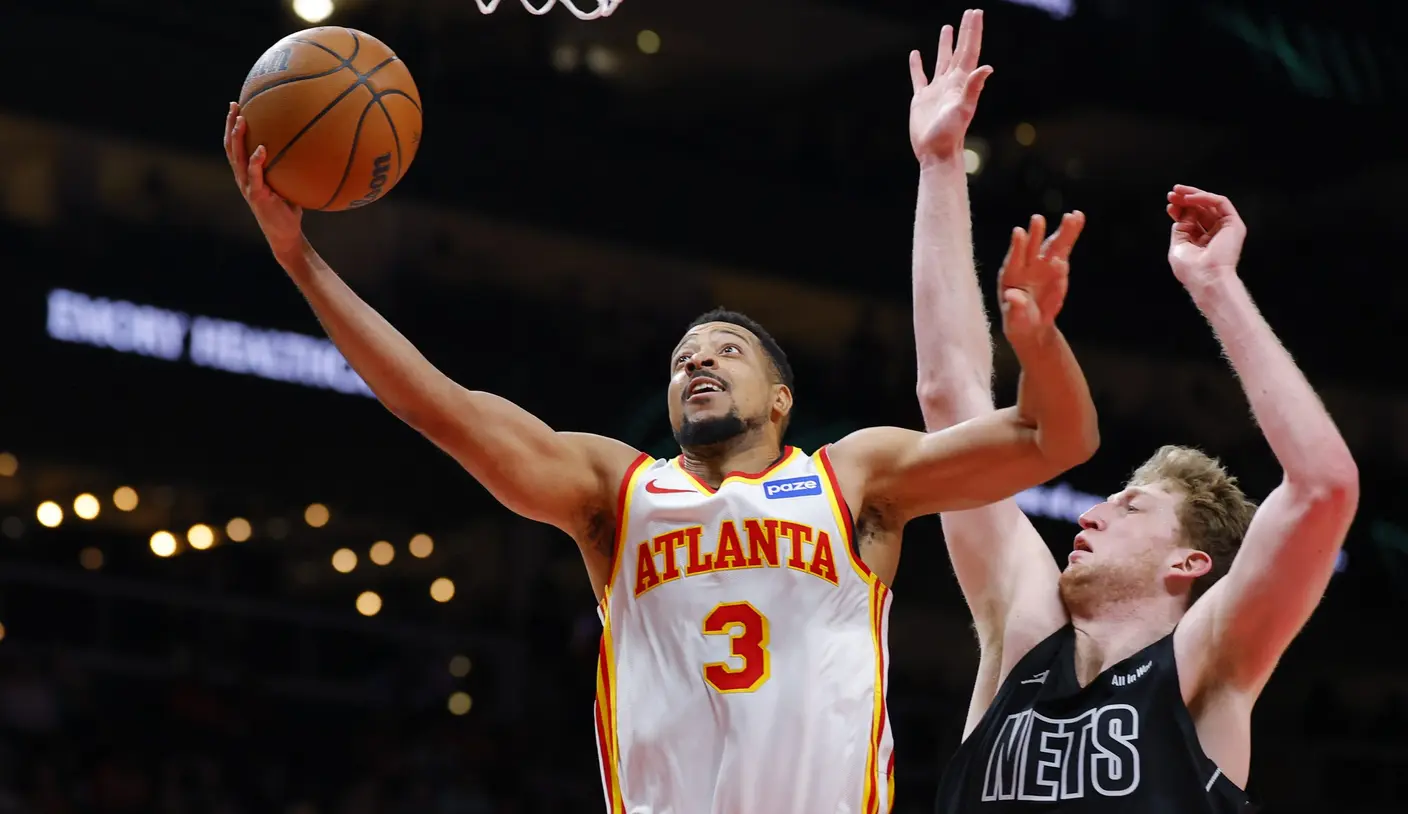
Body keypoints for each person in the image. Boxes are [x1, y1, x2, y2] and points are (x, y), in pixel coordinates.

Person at [220, 31, 1100, 808]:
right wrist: (299, 258)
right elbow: (436, 407)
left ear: (781, 400)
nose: (696, 364)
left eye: (725, 351)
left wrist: (1039, 341)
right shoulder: (617, 492)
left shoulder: (852, 479)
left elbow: (1058, 439)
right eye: (683, 358)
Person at [908, 12, 1360, 811]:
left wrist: (1216, 287)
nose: (1093, 512)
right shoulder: (1025, 630)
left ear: (1188, 564)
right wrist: (939, 163)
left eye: (1130, 506)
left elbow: (1324, 486)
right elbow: (950, 399)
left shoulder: (1207, 663)